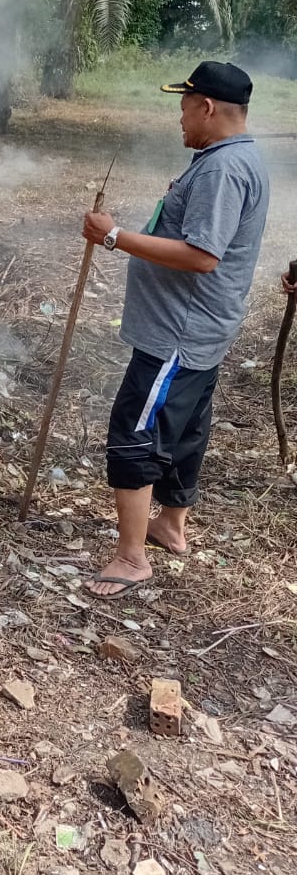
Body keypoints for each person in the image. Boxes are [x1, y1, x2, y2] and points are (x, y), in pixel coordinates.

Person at [79, 61, 268, 598]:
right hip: (202, 332)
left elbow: (203, 256)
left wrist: (115, 235)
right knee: (186, 429)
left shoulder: (222, 170)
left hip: (178, 335)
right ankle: (171, 526)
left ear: (207, 106)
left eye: (185, 106)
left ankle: (131, 557)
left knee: (136, 433)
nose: (179, 117)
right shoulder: (233, 158)